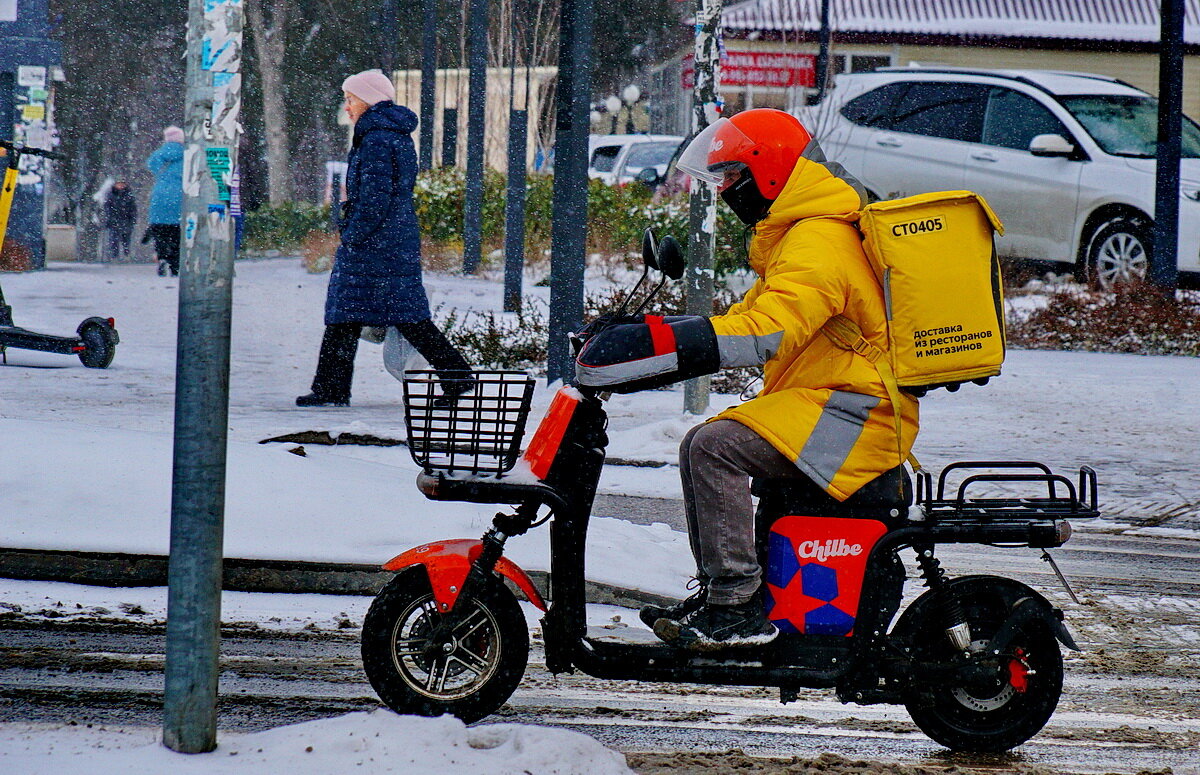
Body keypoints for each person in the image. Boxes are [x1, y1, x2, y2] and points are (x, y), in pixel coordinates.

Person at [576, 109, 920, 649]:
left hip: (858, 414)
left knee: (714, 448)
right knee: (704, 445)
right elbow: (746, 314)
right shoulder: (796, 236)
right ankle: (727, 593)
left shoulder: (818, 242)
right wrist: (651, 332)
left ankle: (735, 606)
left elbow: (767, 333)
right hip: (833, 403)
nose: (727, 191)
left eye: (734, 176)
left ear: (773, 171)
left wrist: (679, 345)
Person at [296, 70, 473, 408]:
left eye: (351, 99)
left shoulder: (377, 137)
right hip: (390, 238)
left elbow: (376, 196)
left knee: (370, 313)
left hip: (377, 242)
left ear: (368, 99)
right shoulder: (387, 133)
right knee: (368, 314)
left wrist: (353, 233)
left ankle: (333, 389)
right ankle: (455, 376)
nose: (347, 106)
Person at [146, 126, 184, 276]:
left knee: (161, 232)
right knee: (177, 233)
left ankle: (162, 257)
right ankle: (175, 264)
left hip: (159, 197)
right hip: (180, 198)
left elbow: (151, 166)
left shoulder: (159, 155)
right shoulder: (188, 155)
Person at [103, 180, 137, 261]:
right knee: (113, 239)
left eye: (122, 184)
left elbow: (133, 208)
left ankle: (126, 254)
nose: (121, 186)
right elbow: (107, 208)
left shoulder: (129, 195)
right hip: (114, 221)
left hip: (126, 220)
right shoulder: (111, 195)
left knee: (126, 239)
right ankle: (114, 256)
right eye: (119, 184)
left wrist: (132, 219)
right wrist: (109, 218)